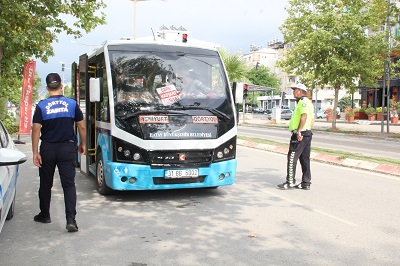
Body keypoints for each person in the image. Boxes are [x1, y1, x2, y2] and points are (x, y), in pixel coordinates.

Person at [31, 73, 86, 232]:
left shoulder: (41, 106)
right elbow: (81, 126)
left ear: (47, 88)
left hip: (48, 148)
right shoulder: (72, 104)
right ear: (61, 86)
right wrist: (82, 143)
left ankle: (45, 214)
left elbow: (36, 129)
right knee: (68, 185)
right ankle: (71, 220)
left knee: (45, 183)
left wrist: (35, 152)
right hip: (67, 148)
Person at [278, 83, 314, 190]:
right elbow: (312, 119)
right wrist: (306, 129)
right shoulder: (309, 103)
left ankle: (290, 181)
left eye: (295, 90)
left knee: (292, 157)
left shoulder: (303, 102)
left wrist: (299, 131)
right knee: (305, 159)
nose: (293, 92)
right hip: (307, 133)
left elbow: (304, 117)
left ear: (300, 91)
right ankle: (306, 183)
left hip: (300, 134)